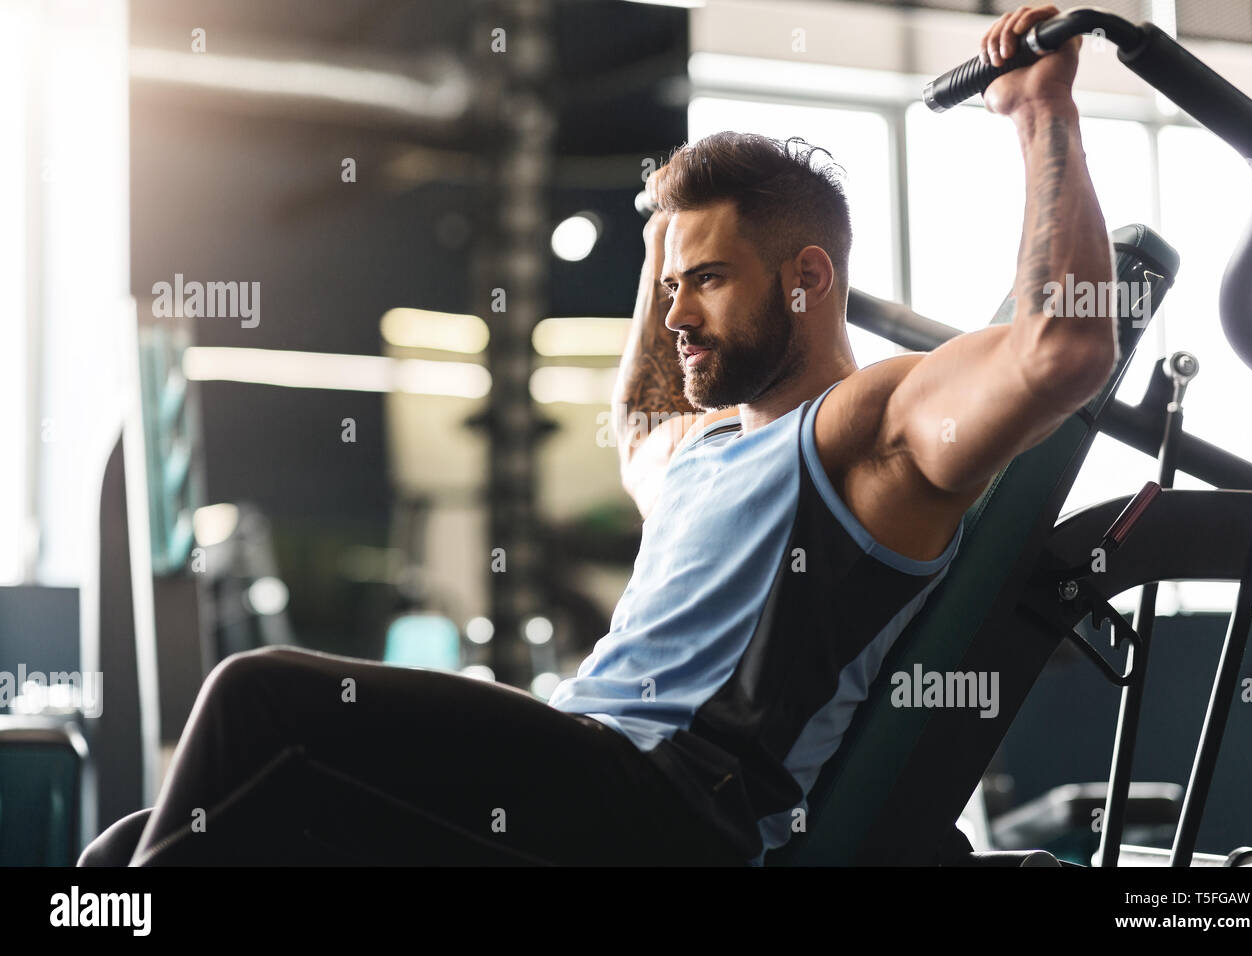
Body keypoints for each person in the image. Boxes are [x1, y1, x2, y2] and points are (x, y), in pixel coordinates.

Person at [80, 4, 1112, 867]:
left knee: (256, 698)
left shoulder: (864, 425)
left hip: (669, 807)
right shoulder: (705, 453)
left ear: (806, 278)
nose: (675, 316)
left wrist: (1038, 111)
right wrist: (663, 247)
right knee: (136, 840)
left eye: (706, 282)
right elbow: (639, 424)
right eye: (673, 288)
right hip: (576, 772)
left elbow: (1058, 349)